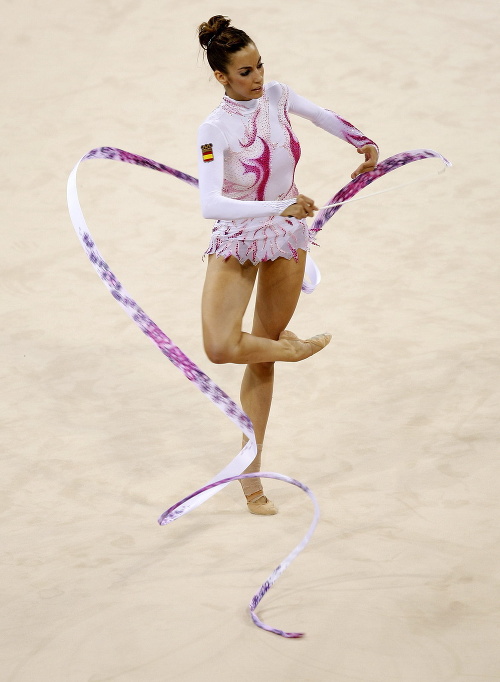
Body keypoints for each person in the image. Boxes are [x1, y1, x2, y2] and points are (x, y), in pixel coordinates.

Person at [197, 15, 378, 515]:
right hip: (239, 235)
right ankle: (293, 352)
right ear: (221, 77)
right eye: (244, 72)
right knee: (220, 346)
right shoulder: (214, 129)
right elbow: (211, 204)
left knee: (260, 357)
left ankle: (251, 478)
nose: (256, 78)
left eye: (259, 67)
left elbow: (321, 116)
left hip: (286, 237)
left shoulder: (276, 95)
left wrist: (363, 141)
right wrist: (277, 207)